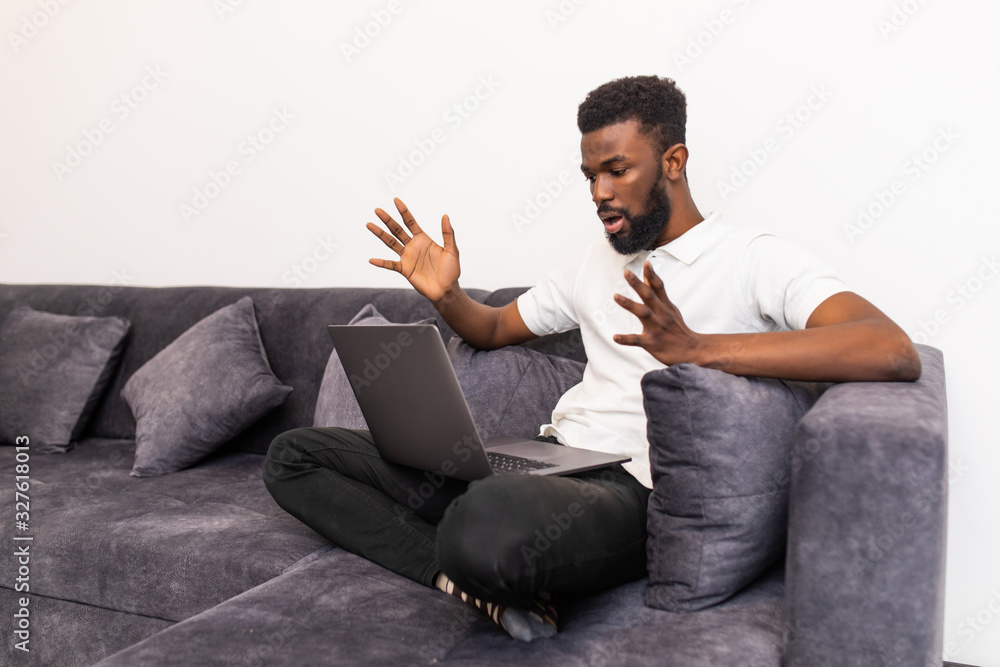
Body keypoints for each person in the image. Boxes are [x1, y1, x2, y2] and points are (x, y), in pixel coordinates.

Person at [263, 75, 921, 642]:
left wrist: (696, 348)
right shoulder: (593, 263)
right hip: (546, 461)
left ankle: (474, 552)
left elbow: (888, 347)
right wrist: (447, 295)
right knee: (294, 456)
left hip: (628, 493)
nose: (599, 191)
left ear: (673, 160)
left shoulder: (752, 258)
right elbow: (493, 328)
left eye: (616, 170)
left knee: (483, 521)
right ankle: (464, 581)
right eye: (589, 175)